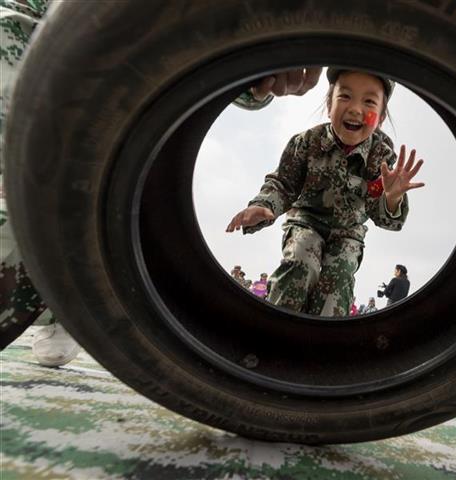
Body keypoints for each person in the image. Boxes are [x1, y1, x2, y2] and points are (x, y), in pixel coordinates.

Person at [0, 0, 322, 363]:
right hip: (35, 29)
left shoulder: (377, 151)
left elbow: (203, 55)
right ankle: (59, 298)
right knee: (33, 176)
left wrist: (268, 50)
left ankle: (62, 301)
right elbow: (283, 179)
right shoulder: (307, 144)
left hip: (128, 70)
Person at [226, 68, 425, 316]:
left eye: (369, 101)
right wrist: (264, 205)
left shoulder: (380, 157)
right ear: (329, 103)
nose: (355, 109)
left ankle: (324, 344)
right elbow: (283, 184)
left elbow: (380, 213)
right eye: (345, 97)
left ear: (381, 116)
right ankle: (277, 331)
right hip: (306, 221)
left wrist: (392, 198)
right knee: (301, 260)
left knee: (338, 279)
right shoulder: (307, 142)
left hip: (348, 233)